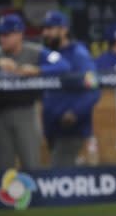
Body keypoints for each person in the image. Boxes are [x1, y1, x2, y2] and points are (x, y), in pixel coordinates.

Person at [0, 14, 70, 170]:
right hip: (0, 115)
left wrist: (37, 70)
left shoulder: (36, 51)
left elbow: (63, 65)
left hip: (26, 112)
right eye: (0, 35)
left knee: (31, 163)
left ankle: (34, 194)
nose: (2, 39)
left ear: (19, 34)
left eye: (6, 35)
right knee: (3, 166)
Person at [41, 11, 100, 167]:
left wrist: (75, 112)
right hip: (53, 130)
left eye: (50, 28)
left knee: (59, 175)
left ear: (64, 30)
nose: (45, 33)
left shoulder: (79, 55)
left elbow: (94, 88)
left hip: (72, 129)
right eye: (44, 28)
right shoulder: (50, 56)